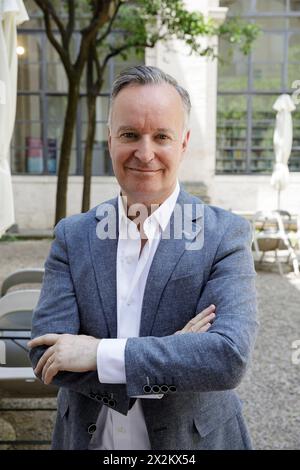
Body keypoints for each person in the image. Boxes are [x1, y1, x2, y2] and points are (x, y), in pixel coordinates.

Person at [28, 65, 258, 450]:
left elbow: (227, 357)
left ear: (183, 143)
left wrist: (97, 353)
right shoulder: (73, 235)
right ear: (110, 140)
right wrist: (177, 355)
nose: (145, 152)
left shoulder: (224, 235)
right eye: (130, 135)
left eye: (161, 136)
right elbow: (47, 354)